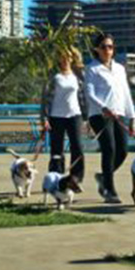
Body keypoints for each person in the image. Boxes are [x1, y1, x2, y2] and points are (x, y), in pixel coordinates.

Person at [85, 33, 135, 204]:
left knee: (123, 151)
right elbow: (89, 93)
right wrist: (104, 108)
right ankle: (110, 190)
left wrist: (133, 117)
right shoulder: (92, 68)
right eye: (104, 47)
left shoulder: (120, 69)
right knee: (109, 149)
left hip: (119, 113)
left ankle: (103, 177)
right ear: (97, 49)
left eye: (111, 47)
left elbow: (126, 94)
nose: (108, 50)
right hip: (99, 115)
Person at [41, 47, 87, 181]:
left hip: (75, 115)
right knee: (57, 149)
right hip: (56, 117)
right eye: (62, 57)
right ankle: (56, 176)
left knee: (77, 147)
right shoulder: (53, 77)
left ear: (72, 59)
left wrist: (86, 117)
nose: (65, 60)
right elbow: (45, 100)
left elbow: (83, 98)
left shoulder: (78, 76)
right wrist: (44, 118)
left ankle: (76, 177)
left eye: (68, 57)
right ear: (59, 59)